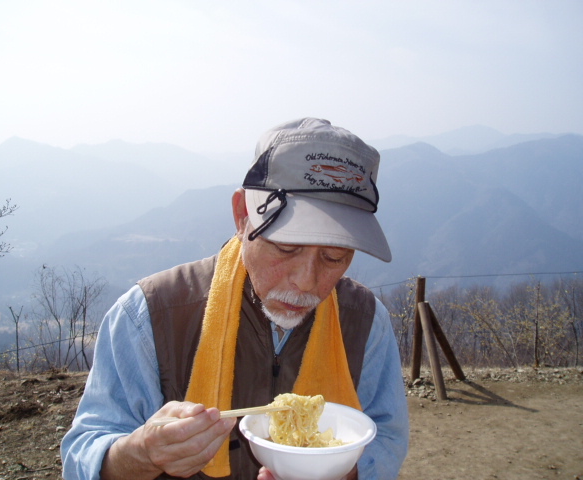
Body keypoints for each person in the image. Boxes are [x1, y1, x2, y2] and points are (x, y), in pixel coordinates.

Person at [61, 118, 409, 480]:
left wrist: (343, 472)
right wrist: (141, 454)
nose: (307, 282)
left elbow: (387, 435)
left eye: (334, 257)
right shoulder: (150, 313)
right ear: (243, 215)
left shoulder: (366, 321)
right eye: (286, 247)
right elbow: (82, 455)